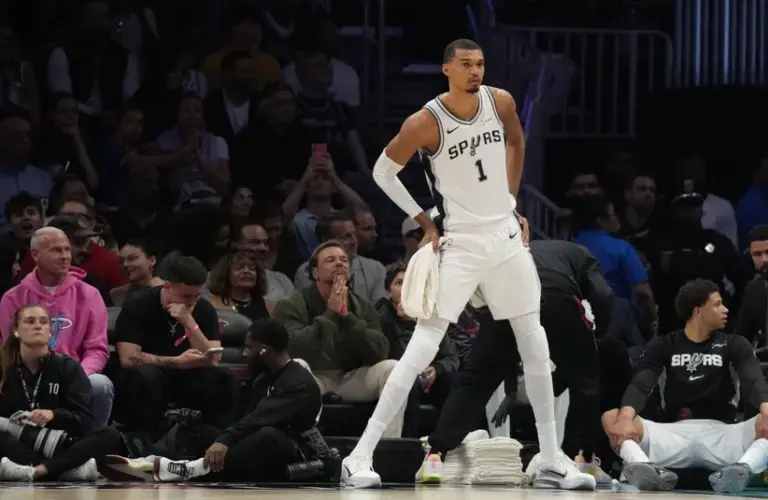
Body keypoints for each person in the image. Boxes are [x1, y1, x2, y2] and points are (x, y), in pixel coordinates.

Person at [340, 38, 594, 490]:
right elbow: (383, 171)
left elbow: (517, 140)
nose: (475, 71)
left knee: (535, 344)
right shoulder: (426, 121)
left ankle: (551, 456)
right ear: (446, 70)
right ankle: (360, 454)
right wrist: (423, 221)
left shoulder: (501, 102)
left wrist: (512, 200)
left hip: (505, 240)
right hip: (458, 244)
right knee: (421, 347)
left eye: (480, 63)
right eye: (465, 65)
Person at [423, 240, 615, 486]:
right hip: (557, 295)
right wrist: (597, 336)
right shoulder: (584, 255)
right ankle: (584, 459)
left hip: (507, 299)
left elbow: (505, 345)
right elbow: (604, 295)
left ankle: (436, 454)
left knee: (474, 380)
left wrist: (511, 385)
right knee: (586, 380)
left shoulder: (518, 251)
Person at [102, 319, 322, 483]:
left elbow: (261, 417)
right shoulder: (262, 378)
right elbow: (242, 419)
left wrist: (225, 440)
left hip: (292, 454)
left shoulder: (297, 382)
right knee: (197, 430)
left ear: (264, 350)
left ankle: (186, 471)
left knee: (267, 436)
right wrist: (218, 438)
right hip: (250, 448)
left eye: (249, 347)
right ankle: (149, 462)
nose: (244, 353)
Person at [602, 279, 768, 494]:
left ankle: (741, 470)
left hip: (722, 434)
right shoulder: (663, 344)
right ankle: (645, 468)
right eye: (717, 304)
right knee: (612, 417)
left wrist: (766, 412)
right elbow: (641, 383)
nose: (725, 309)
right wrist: (625, 419)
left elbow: (753, 380)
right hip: (673, 434)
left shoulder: (735, 344)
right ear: (698, 311)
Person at [113, 256, 239, 438]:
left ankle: (216, 441)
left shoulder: (202, 309)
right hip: (149, 375)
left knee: (226, 378)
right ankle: (148, 442)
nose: (192, 302)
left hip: (187, 376)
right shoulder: (138, 305)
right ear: (167, 287)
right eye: (186, 296)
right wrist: (176, 362)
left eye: (197, 295)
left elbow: (213, 358)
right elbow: (129, 358)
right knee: (146, 377)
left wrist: (189, 323)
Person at [0, 227, 112, 430]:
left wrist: (77, 376)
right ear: (35, 255)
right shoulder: (12, 298)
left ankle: (91, 445)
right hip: (27, 373)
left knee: (100, 384)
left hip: (74, 372)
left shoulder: (90, 294)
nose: (65, 257)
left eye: (67, 250)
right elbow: (10, 346)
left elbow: (97, 349)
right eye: (56, 250)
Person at [0, 305, 122, 481]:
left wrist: (53, 415)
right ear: (16, 331)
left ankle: (37, 471)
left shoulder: (68, 367)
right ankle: (64, 471)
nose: (37, 326)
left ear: (50, 332)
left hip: (60, 443)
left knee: (110, 435)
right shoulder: (5, 368)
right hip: (17, 443)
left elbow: (83, 420)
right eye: (30, 321)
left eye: (43, 322)